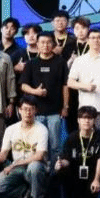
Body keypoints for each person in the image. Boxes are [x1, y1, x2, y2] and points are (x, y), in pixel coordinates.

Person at [0, 97, 50, 198]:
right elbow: (4, 153)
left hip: (36, 167)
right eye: (25, 109)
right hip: (18, 168)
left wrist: (13, 164)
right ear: (19, 110)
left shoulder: (42, 129)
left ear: (36, 110)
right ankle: (24, 192)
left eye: (31, 109)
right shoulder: (11, 129)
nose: (28, 112)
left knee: (34, 167)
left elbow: (39, 156)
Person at [20, 32, 69, 165]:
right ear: (37, 44)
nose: (45, 45)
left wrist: (65, 106)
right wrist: (35, 92)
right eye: (42, 42)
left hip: (55, 111)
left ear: (53, 44)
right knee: (38, 145)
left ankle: (54, 172)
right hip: (35, 112)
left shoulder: (60, 62)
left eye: (48, 42)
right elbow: (23, 85)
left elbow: (65, 86)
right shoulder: (31, 63)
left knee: (55, 145)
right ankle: (39, 170)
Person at [67, 26, 100, 139]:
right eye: (92, 38)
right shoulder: (79, 60)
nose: (96, 40)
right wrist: (84, 86)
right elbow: (70, 82)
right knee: (85, 140)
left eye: (99, 37)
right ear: (87, 40)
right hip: (85, 109)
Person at [55, 105, 100, 198]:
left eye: (90, 118)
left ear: (95, 120)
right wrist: (61, 164)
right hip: (76, 171)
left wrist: (96, 179)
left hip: (93, 171)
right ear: (78, 120)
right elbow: (67, 159)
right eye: (83, 118)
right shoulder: (72, 137)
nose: (86, 121)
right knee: (60, 170)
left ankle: (91, 196)